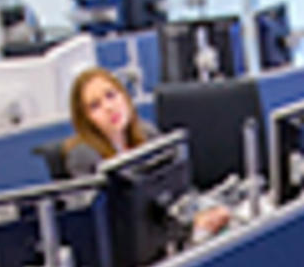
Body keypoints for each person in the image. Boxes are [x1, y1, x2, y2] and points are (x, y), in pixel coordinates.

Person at [62, 67, 236, 238]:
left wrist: (204, 211)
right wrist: (190, 227)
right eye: (95, 106)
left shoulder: (146, 133)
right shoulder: (83, 156)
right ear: (85, 120)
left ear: (124, 96)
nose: (109, 107)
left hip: (170, 236)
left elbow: (177, 188)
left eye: (111, 95)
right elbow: (107, 226)